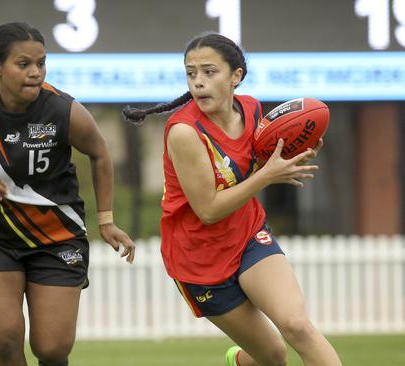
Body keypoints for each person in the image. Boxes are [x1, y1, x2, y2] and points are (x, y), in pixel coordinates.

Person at [123, 32, 341, 366]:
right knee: (273, 355)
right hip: (198, 260)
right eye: (191, 73)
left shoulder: (252, 108)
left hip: (247, 234)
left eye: (209, 72)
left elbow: (263, 156)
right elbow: (208, 210)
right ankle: (239, 361)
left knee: (298, 326)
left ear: (236, 76)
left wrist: (298, 149)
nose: (198, 82)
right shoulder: (184, 132)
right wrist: (267, 175)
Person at [0, 22, 135, 366]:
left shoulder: (62, 108)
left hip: (56, 236)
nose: (35, 72)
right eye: (24, 64)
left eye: (41, 64)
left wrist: (106, 220)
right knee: (4, 337)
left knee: (52, 347)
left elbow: (101, 153)